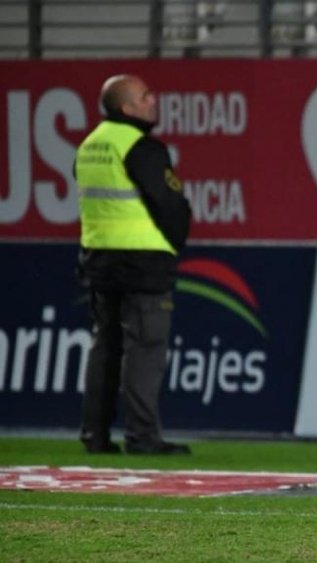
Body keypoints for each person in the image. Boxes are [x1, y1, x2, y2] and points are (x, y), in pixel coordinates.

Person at [75, 74, 192, 455]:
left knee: (105, 347)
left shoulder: (90, 145)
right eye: (145, 96)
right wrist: (171, 245)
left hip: (99, 260)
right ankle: (143, 438)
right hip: (142, 261)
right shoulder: (141, 147)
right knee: (146, 349)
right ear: (126, 107)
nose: (152, 100)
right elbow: (170, 205)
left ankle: (95, 435)